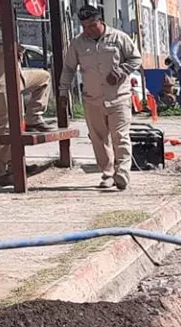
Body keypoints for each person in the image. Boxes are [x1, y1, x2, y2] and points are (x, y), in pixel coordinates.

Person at [0, 0, 52, 186]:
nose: (0, 11)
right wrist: (8, 46)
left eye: (2, 8)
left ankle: (34, 118)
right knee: (1, 126)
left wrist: (17, 48)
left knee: (44, 77)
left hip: (14, 75)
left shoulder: (3, 22)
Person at [59, 5, 141, 190]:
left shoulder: (119, 38)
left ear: (100, 21)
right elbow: (69, 69)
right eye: (84, 27)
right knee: (98, 138)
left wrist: (121, 71)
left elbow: (135, 58)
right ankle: (108, 173)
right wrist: (63, 92)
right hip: (93, 99)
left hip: (118, 97)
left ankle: (122, 174)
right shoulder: (78, 43)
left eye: (92, 25)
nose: (88, 30)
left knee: (120, 136)